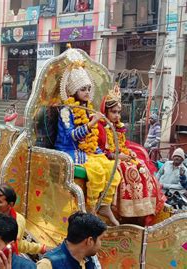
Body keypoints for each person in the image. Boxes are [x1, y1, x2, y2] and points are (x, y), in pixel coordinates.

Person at [54, 50, 121, 226]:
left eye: (88, 88)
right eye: (83, 89)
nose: (86, 92)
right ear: (74, 90)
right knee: (97, 170)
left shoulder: (87, 109)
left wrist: (102, 153)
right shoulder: (66, 110)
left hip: (84, 149)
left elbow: (91, 140)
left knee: (111, 167)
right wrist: (91, 124)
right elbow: (72, 137)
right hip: (67, 149)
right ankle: (91, 209)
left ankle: (104, 205)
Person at [97, 86, 166, 224]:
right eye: (113, 112)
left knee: (141, 166)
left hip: (119, 155)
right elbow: (100, 150)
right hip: (106, 159)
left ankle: (142, 210)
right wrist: (117, 156)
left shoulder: (118, 127)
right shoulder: (100, 127)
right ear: (105, 111)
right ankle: (123, 212)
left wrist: (128, 153)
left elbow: (122, 145)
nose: (117, 115)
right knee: (128, 169)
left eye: (118, 112)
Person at [37, 212, 106, 269]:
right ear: (90, 241)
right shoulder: (48, 265)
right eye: (100, 239)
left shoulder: (89, 260)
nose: (101, 244)